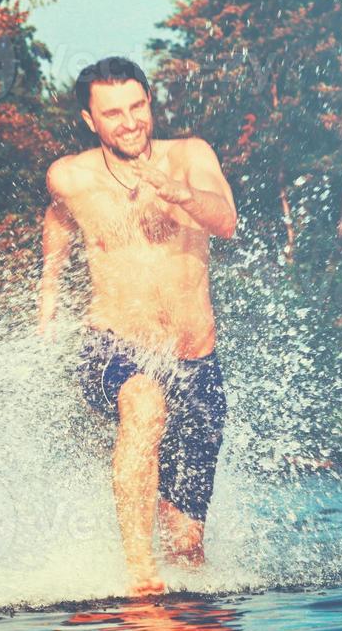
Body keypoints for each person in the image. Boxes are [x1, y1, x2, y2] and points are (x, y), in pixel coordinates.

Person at [38, 57, 237, 595]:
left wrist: (178, 194)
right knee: (144, 402)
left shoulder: (190, 156)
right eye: (113, 113)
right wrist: (49, 293)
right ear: (89, 120)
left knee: (188, 545)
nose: (129, 123)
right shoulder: (70, 175)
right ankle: (139, 576)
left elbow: (226, 221)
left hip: (195, 360)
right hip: (115, 345)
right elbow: (59, 217)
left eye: (136, 107)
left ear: (150, 102)